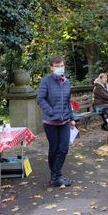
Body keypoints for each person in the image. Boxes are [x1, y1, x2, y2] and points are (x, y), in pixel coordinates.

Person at [37, 55, 76, 187]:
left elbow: (67, 102)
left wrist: (71, 118)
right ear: (51, 68)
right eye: (57, 66)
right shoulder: (46, 81)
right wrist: (51, 111)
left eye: (62, 65)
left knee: (63, 148)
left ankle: (56, 176)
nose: (60, 68)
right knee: (54, 149)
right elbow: (40, 99)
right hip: (50, 122)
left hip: (64, 121)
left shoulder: (67, 82)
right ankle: (56, 176)